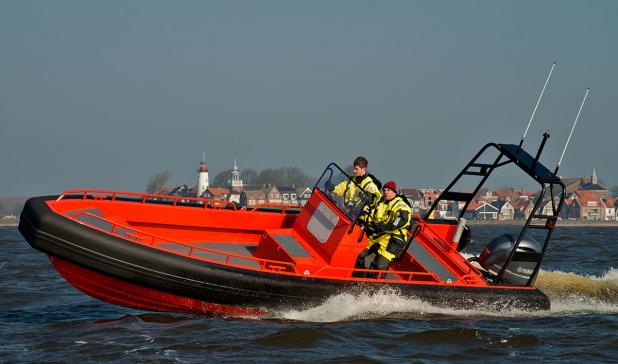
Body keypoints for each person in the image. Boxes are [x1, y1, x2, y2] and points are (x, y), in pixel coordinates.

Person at [355, 180, 412, 274]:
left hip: (394, 240)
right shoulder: (381, 203)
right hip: (379, 236)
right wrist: (362, 219)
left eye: (388, 190)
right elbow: (371, 214)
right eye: (384, 190)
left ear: (394, 192)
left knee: (379, 266)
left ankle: (377, 287)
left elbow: (402, 218)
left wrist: (387, 226)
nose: (385, 192)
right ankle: (358, 278)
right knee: (357, 253)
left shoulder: (400, 204)